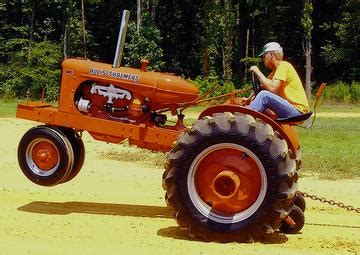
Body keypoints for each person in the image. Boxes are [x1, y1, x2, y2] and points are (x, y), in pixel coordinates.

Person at [247, 42, 309, 119]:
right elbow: (263, 86)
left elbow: (272, 88)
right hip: (292, 109)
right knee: (263, 95)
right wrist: (249, 99)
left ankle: (244, 117)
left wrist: (257, 71)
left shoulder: (284, 66)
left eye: (264, 56)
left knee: (264, 95)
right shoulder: (275, 71)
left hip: (297, 110)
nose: (263, 59)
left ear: (271, 55)